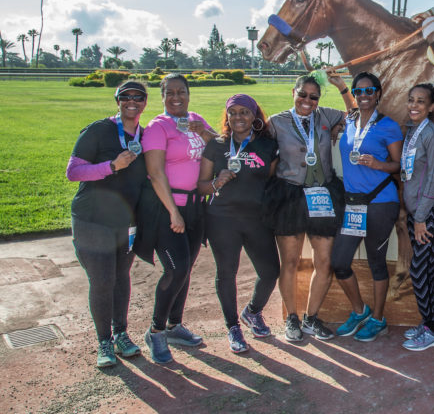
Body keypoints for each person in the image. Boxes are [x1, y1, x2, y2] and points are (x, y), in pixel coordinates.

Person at [266, 71, 355, 343]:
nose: (307, 100)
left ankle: (311, 317)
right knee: (290, 261)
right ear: (293, 92)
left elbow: (354, 114)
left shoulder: (326, 116)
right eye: (302, 94)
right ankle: (291, 318)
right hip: (289, 195)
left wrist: (342, 88)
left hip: (322, 194)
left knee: (324, 261)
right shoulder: (276, 122)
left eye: (313, 97)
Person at [66, 81, 148, 367]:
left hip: (126, 222)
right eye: (126, 97)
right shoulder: (99, 130)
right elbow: (73, 172)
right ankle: (104, 342)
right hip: (92, 220)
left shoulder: (145, 136)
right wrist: (111, 166)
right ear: (117, 100)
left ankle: (121, 334)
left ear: (145, 103)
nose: (132, 102)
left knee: (121, 278)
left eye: (138, 97)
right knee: (102, 280)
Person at [138, 73, 216, 363]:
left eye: (181, 91)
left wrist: (203, 131)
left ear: (188, 93)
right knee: (176, 269)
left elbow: (218, 146)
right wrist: (173, 211)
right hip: (167, 207)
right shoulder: (158, 128)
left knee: (187, 268)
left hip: (196, 207)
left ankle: (174, 325)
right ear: (162, 96)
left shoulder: (195, 118)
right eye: (169, 92)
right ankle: (156, 331)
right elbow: (156, 173)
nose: (176, 97)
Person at [196, 94, 278, 353]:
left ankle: (252, 311)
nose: (238, 117)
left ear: (255, 116)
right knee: (226, 273)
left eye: (244, 112)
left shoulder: (267, 145)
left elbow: (273, 181)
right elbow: (201, 188)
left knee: (270, 272)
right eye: (233, 112)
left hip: (257, 219)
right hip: (222, 219)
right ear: (227, 116)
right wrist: (216, 183)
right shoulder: (217, 146)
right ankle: (233, 326)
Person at [331, 72, 403, 342]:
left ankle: (378, 319)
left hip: (381, 201)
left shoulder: (389, 126)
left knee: (376, 262)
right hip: (354, 204)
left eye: (369, 91)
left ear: (378, 94)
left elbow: (399, 166)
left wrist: (379, 164)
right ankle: (360, 310)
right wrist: (340, 88)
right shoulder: (349, 121)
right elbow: (350, 107)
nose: (363, 96)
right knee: (339, 262)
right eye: (358, 91)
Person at [400, 83, 434, 351]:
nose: (414, 105)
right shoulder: (411, 131)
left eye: (421, 102)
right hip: (417, 211)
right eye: (411, 100)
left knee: (419, 272)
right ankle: (433, 323)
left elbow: (433, 177)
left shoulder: (431, 133)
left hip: (430, 210)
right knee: (428, 271)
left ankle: (432, 329)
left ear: (432, 107)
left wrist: (420, 217)